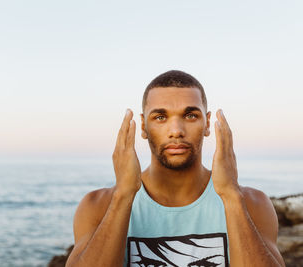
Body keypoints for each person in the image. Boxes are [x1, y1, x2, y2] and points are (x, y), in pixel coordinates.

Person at [65, 70, 285, 267]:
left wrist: (231, 196)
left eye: (190, 115)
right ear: (143, 126)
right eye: (160, 117)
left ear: (207, 123)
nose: (176, 130)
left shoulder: (252, 204)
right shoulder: (97, 206)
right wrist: (123, 195)